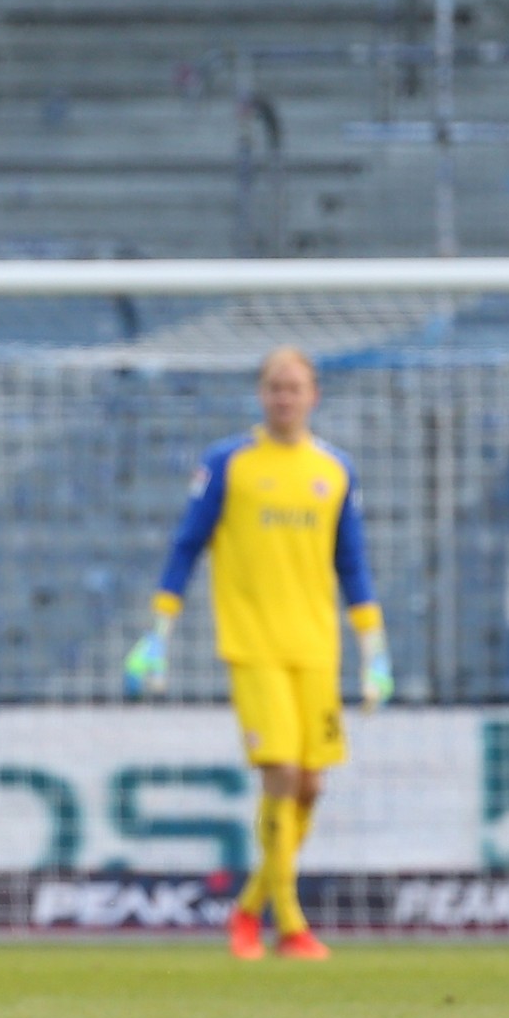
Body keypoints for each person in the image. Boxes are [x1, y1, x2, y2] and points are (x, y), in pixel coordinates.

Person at [124, 345, 393, 961]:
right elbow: (185, 547)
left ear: (314, 395)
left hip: (317, 649)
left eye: (294, 388)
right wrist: (157, 634)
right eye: (274, 387)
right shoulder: (229, 464)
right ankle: (290, 926)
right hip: (253, 646)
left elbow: (352, 563)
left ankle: (248, 910)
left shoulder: (334, 470)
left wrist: (374, 652)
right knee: (282, 774)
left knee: (311, 788)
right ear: (261, 394)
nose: (284, 397)